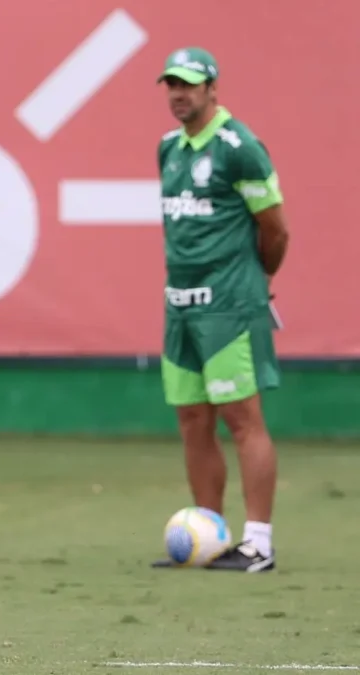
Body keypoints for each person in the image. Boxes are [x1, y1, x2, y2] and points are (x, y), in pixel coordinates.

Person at [151, 47, 289, 573]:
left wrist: (255, 282)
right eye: (170, 85)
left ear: (212, 88)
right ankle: (209, 533)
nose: (178, 94)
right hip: (180, 306)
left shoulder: (239, 147)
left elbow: (275, 228)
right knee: (191, 419)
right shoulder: (168, 148)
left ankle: (258, 543)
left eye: (188, 84)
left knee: (243, 419)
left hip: (231, 305)